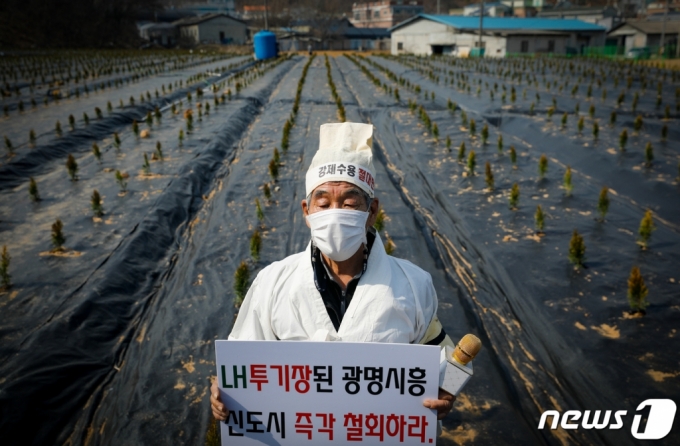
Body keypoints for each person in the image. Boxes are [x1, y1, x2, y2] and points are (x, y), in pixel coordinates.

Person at [211, 122, 456, 424]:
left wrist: (449, 391)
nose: (335, 213)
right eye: (323, 203)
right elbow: (240, 365)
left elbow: (451, 361)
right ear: (306, 211)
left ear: (372, 211)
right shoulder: (272, 284)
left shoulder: (413, 285)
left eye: (350, 203)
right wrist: (225, 394)